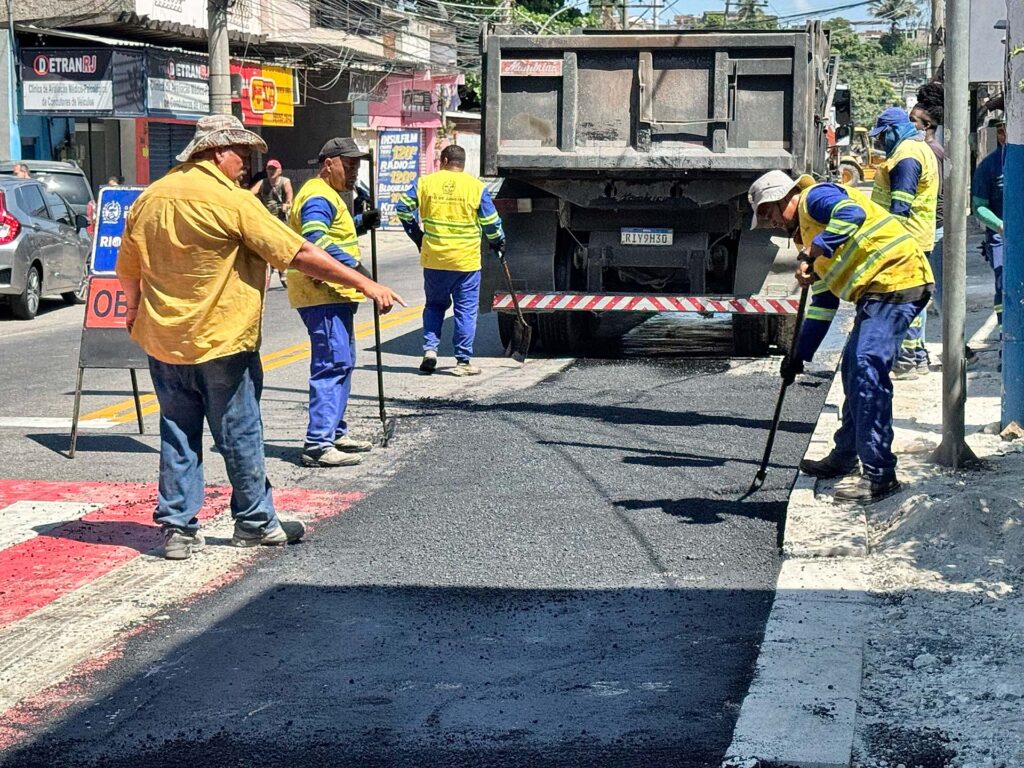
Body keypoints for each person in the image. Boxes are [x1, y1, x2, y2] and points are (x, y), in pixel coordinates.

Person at [115, 115, 405, 561]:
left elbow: (128, 270)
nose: (247, 164)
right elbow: (301, 253)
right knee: (239, 432)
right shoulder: (232, 201)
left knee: (177, 431)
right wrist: (366, 284)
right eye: (242, 154)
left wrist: (134, 313)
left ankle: (177, 529)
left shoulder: (150, 198)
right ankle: (254, 521)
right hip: (222, 339)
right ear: (216, 151)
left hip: (164, 339)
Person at [749, 170, 933, 503]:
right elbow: (822, 305)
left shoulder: (814, 199)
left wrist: (814, 251)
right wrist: (798, 355)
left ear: (782, 198)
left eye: (768, 212)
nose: (770, 222)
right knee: (852, 370)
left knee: (866, 368)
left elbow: (853, 213)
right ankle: (845, 456)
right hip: (875, 293)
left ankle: (880, 476)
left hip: (897, 280)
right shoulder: (805, 237)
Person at [287, 138, 382, 468]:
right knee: (332, 362)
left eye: (357, 164)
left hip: (333, 293)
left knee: (343, 360)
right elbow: (316, 239)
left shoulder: (328, 196)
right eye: (349, 164)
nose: (354, 171)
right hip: (322, 293)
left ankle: (335, 432)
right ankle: (318, 444)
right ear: (328, 164)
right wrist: (360, 274)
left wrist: (359, 224)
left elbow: (329, 233)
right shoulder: (316, 194)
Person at [395, 145, 505, 376]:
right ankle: (462, 362)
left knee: (434, 305)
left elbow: (403, 208)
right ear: (462, 163)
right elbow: (491, 223)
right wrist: (498, 242)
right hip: (466, 263)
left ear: (444, 160)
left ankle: (430, 351)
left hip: (435, 260)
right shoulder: (475, 187)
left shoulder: (425, 183)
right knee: (465, 310)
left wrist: (417, 235)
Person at [868, 107, 939, 378]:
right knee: (915, 298)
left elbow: (900, 207)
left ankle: (907, 359)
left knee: (904, 300)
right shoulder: (918, 150)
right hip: (917, 237)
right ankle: (917, 357)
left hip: (905, 240)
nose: (880, 142)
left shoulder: (906, 156)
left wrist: (886, 247)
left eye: (882, 136)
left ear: (895, 130)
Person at [972, 117, 1006, 339]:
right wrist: (999, 225)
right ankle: (1006, 338)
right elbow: (978, 207)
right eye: (1003, 131)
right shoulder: (989, 167)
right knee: (1004, 287)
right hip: (1002, 239)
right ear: (1000, 135)